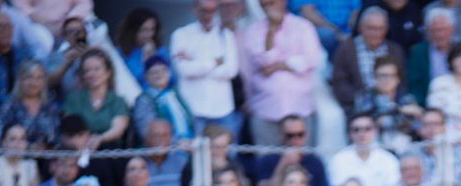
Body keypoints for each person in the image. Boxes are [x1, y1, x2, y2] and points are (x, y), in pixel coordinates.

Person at [239, 0, 322, 147]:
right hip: (265, 107)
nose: (268, 7)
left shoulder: (303, 27)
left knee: (302, 162)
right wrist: (271, 31)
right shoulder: (253, 31)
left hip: (300, 108)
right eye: (264, 4)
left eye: (271, 2)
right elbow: (264, 63)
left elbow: (311, 60)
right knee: (267, 162)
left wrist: (279, 64)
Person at [171, 0, 240, 136]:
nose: (208, 15)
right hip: (193, 108)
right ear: (194, 9)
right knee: (195, 155)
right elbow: (184, 70)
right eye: (204, 10)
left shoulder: (227, 36)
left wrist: (196, 63)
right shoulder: (181, 35)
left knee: (228, 154)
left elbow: (231, 71)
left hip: (223, 108)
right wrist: (215, 62)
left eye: (212, 10)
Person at [331, 6, 404, 114]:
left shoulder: (395, 50)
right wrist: (366, 100)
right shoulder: (346, 50)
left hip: (392, 105)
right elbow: (340, 83)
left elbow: (402, 81)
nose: (376, 33)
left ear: (387, 29)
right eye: (371, 28)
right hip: (357, 108)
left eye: (380, 28)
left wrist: (392, 101)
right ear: (361, 28)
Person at [328, 111, 400, 186]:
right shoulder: (339, 160)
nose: (362, 134)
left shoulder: (389, 160)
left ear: (376, 131)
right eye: (356, 130)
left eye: (367, 129)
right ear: (350, 133)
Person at [130, 53, 194, 140]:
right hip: (165, 148)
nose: (159, 74)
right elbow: (147, 132)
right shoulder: (144, 99)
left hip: (188, 143)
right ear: (146, 77)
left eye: (163, 70)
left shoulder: (175, 93)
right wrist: (176, 143)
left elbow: (190, 120)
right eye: (154, 72)